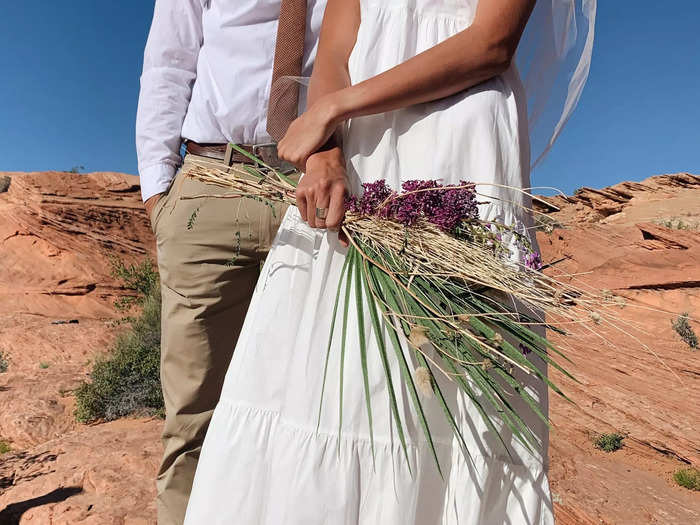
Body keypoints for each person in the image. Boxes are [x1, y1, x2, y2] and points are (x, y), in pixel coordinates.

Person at [184, 0, 595, 523]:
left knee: (449, 387)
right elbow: (334, 48)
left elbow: (492, 42)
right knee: (331, 379)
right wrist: (326, 152)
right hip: (359, 156)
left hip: (456, 150)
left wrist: (333, 110)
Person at [135, 1, 334, 523]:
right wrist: (158, 193)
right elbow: (169, 61)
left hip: (313, 185)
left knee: (314, 407)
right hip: (211, 179)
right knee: (193, 413)